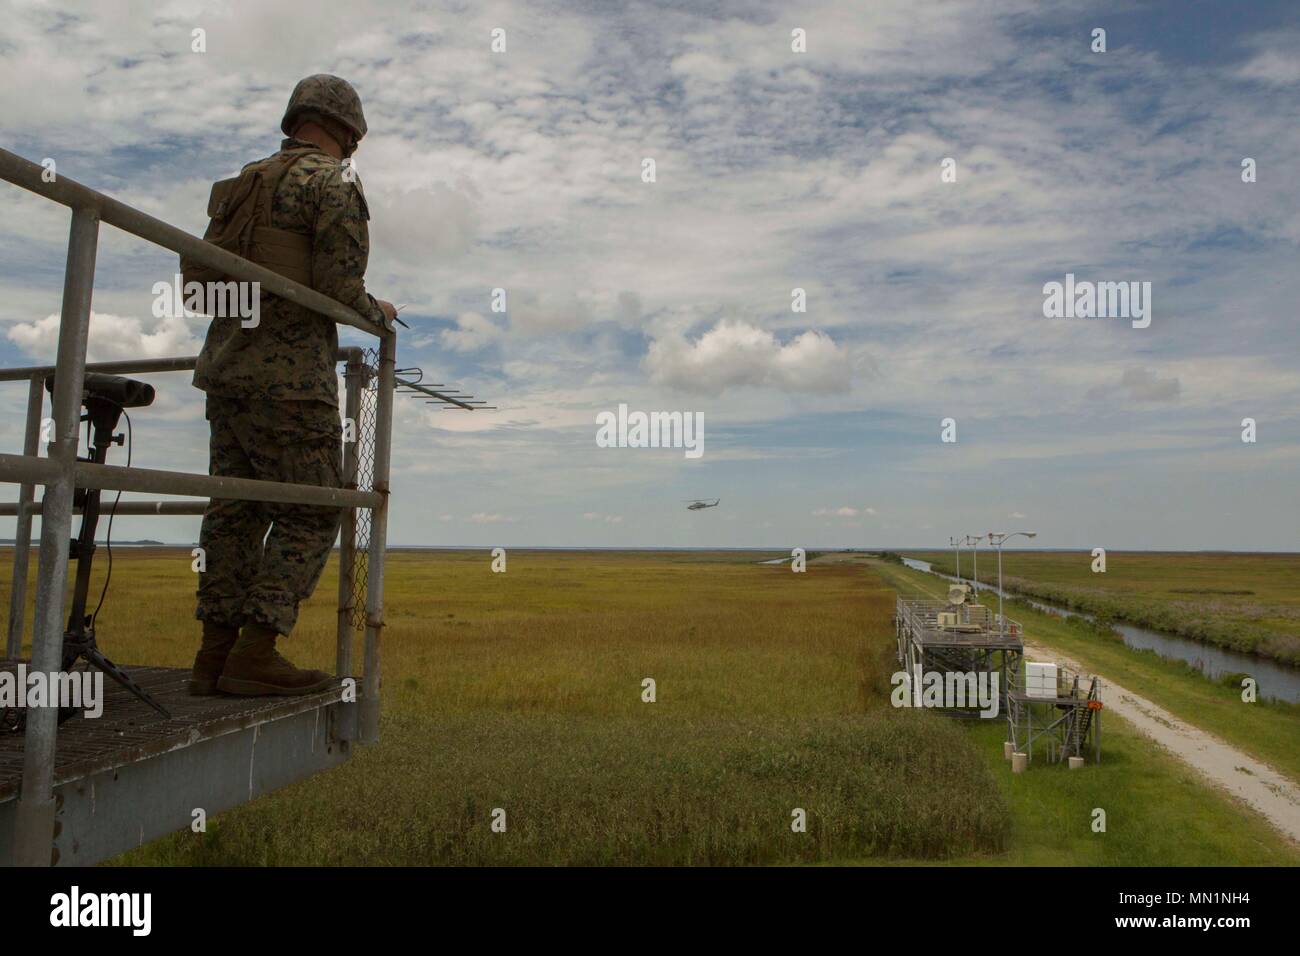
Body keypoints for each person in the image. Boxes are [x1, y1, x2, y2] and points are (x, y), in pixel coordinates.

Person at [187, 74, 397, 696]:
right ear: (349, 131)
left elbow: (203, 284)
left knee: (235, 511)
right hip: (291, 383)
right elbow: (338, 284)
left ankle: (212, 657)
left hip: (226, 371)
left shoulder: (243, 183)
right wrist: (376, 310)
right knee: (315, 508)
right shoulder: (334, 183)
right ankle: (256, 649)